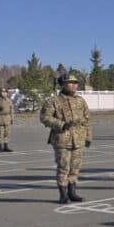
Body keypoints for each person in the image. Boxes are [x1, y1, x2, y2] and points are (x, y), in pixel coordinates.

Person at [40, 73, 92, 204]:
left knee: (75, 167)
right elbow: (45, 117)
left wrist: (88, 136)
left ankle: (72, 192)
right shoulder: (53, 101)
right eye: (70, 82)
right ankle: (63, 195)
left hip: (78, 139)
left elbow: (87, 119)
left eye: (75, 83)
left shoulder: (80, 100)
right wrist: (61, 124)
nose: (74, 85)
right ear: (63, 84)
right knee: (63, 167)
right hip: (62, 139)